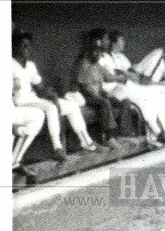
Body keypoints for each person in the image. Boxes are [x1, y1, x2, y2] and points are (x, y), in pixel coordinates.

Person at [12, 29, 99, 158]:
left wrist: (52, 95)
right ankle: (57, 147)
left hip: (34, 99)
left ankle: (86, 142)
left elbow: (40, 87)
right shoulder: (10, 64)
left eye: (29, 45)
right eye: (24, 45)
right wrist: (50, 100)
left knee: (71, 106)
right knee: (51, 107)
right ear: (15, 47)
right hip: (21, 102)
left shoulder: (30, 65)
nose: (28, 48)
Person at [74, 31, 120, 148]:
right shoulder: (85, 64)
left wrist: (105, 93)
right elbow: (84, 87)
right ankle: (109, 137)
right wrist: (99, 96)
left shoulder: (98, 65)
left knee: (115, 100)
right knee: (104, 102)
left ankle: (116, 135)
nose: (97, 55)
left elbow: (106, 78)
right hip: (86, 97)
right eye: (95, 52)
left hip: (96, 95)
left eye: (98, 53)